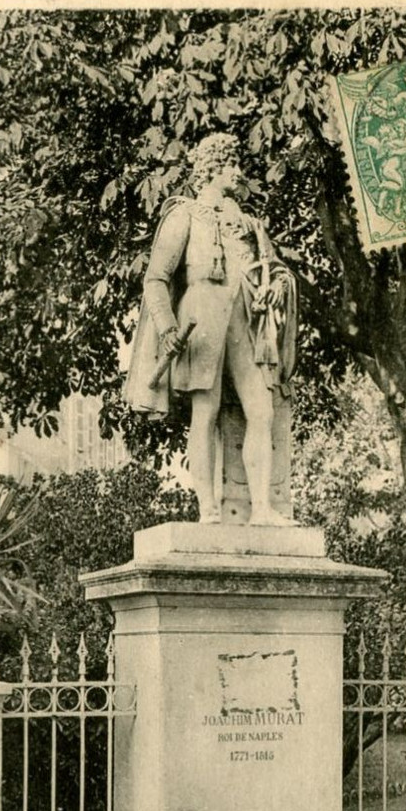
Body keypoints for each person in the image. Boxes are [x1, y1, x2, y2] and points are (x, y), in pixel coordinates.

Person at [124, 132, 297, 525]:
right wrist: (168, 326)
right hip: (200, 319)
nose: (239, 172)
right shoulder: (183, 214)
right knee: (206, 410)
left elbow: (275, 270)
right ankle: (209, 510)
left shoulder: (250, 224)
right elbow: (155, 278)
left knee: (262, 409)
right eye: (232, 164)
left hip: (246, 321)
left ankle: (263, 510)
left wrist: (278, 287)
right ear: (212, 169)